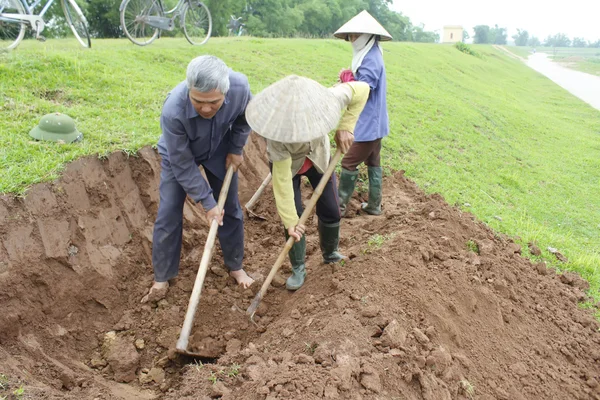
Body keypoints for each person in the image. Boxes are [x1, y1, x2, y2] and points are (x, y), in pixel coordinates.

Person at [141, 55, 254, 303]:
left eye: (213, 102)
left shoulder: (240, 87)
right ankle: (162, 277)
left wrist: (236, 148)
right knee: (169, 212)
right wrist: (207, 203)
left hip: (219, 150)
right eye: (198, 101)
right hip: (179, 154)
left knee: (231, 208)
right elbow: (182, 164)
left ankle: (235, 266)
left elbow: (245, 118)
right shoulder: (173, 111)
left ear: (225, 92)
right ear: (189, 90)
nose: (205, 108)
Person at [246, 75, 369, 290]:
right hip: (288, 168)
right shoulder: (276, 136)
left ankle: (330, 253)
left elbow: (362, 89)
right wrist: (291, 221)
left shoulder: (328, 99)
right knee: (293, 216)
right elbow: (283, 184)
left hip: (318, 158)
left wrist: (346, 126)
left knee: (331, 208)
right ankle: (298, 267)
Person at [333, 10, 392, 216]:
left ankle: (338, 207)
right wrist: (351, 77)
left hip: (368, 123)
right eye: (352, 35)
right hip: (377, 123)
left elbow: (365, 88)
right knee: (373, 162)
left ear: (368, 35)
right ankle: (374, 205)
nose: (353, 39)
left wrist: (348, 79)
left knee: (349, 161)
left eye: (357, 35)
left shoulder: (372, 58)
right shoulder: (371, 53)